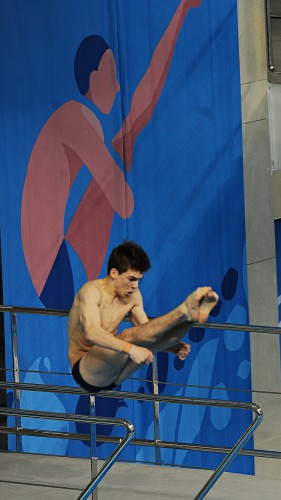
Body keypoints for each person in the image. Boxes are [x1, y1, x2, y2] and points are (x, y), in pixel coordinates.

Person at [21, 0, 202, 310]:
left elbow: (144, 103)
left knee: (133, 125)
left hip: (58, 260)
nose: (118, 87)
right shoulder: (77, 118)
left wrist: (181, 12)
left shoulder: (81, 121)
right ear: (92, 77)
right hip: (52, 268)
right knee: (129, 135)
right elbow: (125, 203)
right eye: (112, 74)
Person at [67, 241, 218, 393]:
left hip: (115, 372)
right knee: (127, 336)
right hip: (86, 371)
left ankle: (192, 317)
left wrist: (171, 347)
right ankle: (183, 311)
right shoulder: (91, 291)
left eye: (139, 280)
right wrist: (131, 350)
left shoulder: (133, 296)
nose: (135, 286)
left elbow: (150, 332)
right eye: (131, 279)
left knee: (154, 342)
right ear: (114, 273)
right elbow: (91, 332)